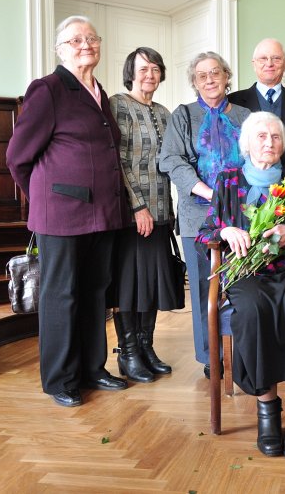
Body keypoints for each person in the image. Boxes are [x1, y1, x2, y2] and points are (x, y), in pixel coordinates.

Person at [7, 15, 128, 407]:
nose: (85, 45)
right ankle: (60, 378)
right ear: (60, 49)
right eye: (75, 40)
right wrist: (44, 197)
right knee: (60, 294)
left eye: (91, 38)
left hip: (102, 213)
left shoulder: (99, 92)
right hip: (60, 214)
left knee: (94, 292)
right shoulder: (48, 89)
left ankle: (93, 368)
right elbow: (17, 157)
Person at [196, 111, 285, 460]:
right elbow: (207, 231)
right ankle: (267, 411)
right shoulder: (227, 180)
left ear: (283, 143)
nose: (268, 142)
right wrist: (225, 231)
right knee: (254, 308)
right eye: (260, 136)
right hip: (248, 273)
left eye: (274, 136)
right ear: (246, 144)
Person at [160, 52, 250, 379]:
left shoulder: (245, 115)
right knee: (202, 288)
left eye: (215, 73)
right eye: (202, 76)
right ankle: (211, 356)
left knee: (242, 283)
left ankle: (243, 349)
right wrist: (208, 191)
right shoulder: (183, 116)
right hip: (197, 215)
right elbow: (170, 159)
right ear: (195, 82)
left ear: (227, 76)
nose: (210, 79)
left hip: (242, 216)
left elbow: (259, 156)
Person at [108, 47, 175, 384]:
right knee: (129, 285)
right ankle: (128, 352)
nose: (150, 74)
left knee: (150, 284)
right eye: (143, 69)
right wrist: (138, 206)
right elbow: (118, 159)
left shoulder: (165, 112)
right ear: (131, 72)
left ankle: (147, 347)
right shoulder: (119, 104)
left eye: (155, 68)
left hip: (162, 210)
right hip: (135, 213)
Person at [228, 38, 285, 171]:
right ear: (254, 64)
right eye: (263, 58)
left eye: (276, 58)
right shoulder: (233, 102)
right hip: (246, 186)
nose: (269, 64)